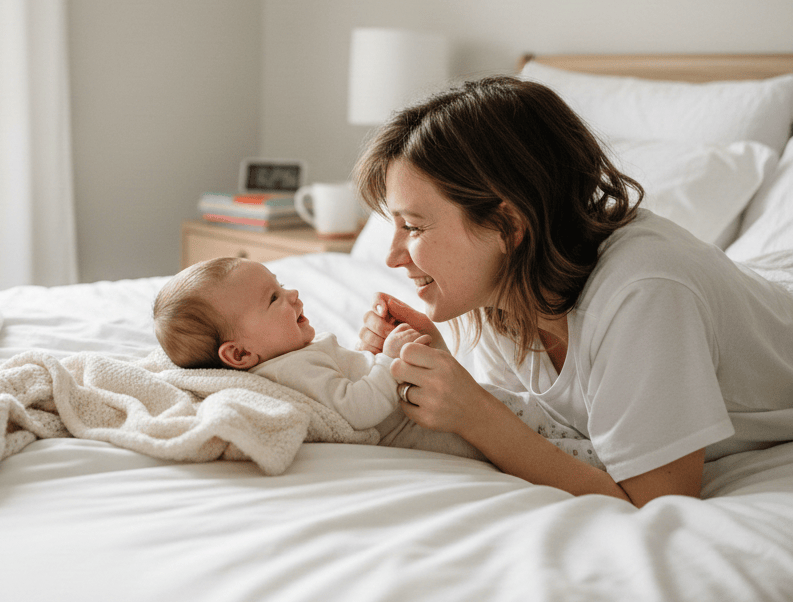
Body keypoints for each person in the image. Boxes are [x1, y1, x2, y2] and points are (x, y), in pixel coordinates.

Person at [354, 75, 793, 507]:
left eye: (412, 227)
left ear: (507, 224)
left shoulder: (645, 292)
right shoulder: (499, 290)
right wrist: (444, 372)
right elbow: (547, 430)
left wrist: (477, 414)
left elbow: (658, 500)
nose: (393, 257)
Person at [152, 256, 604, 467]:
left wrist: (374, 358)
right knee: (535, 432)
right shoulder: (289, 369)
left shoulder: (292, 358)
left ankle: (592, 444)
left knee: (530, 417)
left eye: (281, 283)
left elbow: (347, 384)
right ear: (240, 354)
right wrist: (387, 361)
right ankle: (598, 461)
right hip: (435, 432)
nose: (291, 294)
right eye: (273, 299)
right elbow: (357, 409)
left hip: (433, 410)